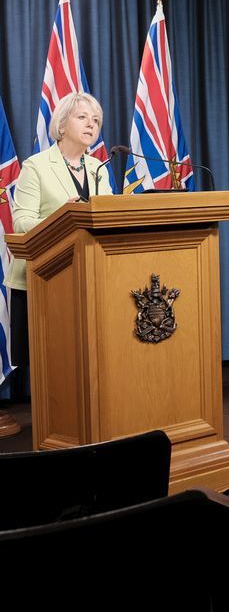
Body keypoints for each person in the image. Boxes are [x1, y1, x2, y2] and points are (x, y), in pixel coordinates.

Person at [5, 92, 113, 398]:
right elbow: (21, 223)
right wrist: (61, 216)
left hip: (89, 275)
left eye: (96, 120)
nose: (91, 125)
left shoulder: (98, 168)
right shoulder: (36, 166)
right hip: (44, 278)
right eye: (83, 118)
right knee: (50, 361)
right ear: (62, 125)